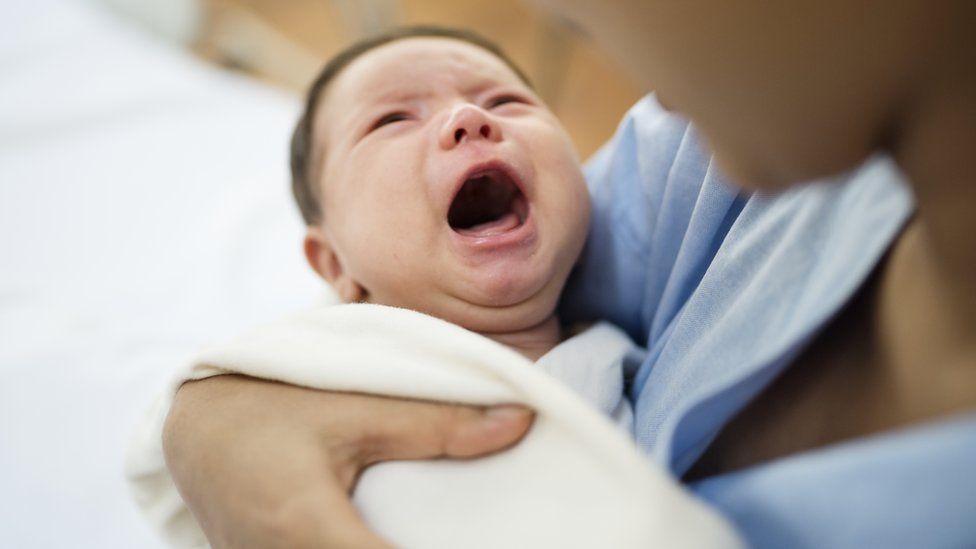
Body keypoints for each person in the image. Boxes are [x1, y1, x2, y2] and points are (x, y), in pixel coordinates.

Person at [164, 1, 976, 547]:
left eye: (510, 101)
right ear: (332, 265)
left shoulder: (599, 332)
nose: (467, 117)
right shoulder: (713, 152)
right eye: (390, 119)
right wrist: (210, 411)